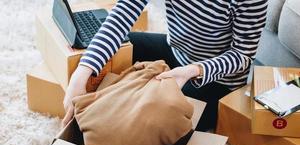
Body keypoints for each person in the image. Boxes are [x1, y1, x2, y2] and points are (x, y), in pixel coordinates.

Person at [63, 0, 268, 131]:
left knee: (159, 120)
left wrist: (193, 71)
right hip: (174, 51)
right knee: (119, 48)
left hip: (217, 79)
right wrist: (82, 72)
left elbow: (243, 55)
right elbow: (122, 14)